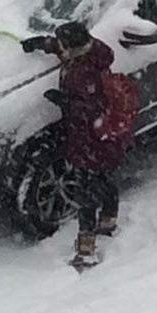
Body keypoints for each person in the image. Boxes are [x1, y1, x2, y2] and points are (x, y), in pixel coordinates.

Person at [21, 21, 128, 269]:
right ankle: (109, 220)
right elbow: (60, 48)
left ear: (73, 45)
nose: (60, 47)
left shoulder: (86, 72)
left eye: (63, 42)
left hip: (91, 139)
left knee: (86, 193)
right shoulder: (88, 52)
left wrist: (65, 102)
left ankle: (86, 250)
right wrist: (40, 43)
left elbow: (92, 109)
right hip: (101, 139)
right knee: (104, 178)